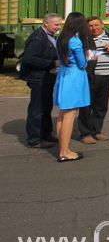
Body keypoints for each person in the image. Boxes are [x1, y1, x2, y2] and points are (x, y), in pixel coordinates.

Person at [53, 12, 92, 162]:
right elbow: (82, 63)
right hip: (74, 76)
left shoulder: (61, 38)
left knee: (63, 114)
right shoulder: (75, 41)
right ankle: (64, 151)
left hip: (63, 74)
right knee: (70, 114)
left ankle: (64, 148)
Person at [20, 13, 62, 148]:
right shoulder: (38, 38)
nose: (58, 27)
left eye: (59, 24)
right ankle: (34, 139)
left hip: (46, 78)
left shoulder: (49, 36)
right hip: (38, 78)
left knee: (46, 107)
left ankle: (45, 134)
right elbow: (29, 58)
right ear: (46, 23)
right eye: (56, 24)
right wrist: (52, 64)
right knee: (37, 108)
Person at [78, 16, 109, 144]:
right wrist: (88, 56)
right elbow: (78, 55)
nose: (94, 28)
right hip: (90, 75)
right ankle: (85, 133)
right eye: (90, 26)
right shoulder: (84, 38)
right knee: (86, 106)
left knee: (101, 106)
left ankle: (97, 131)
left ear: (102, 24)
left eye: (96, 25)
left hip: (106, 75)